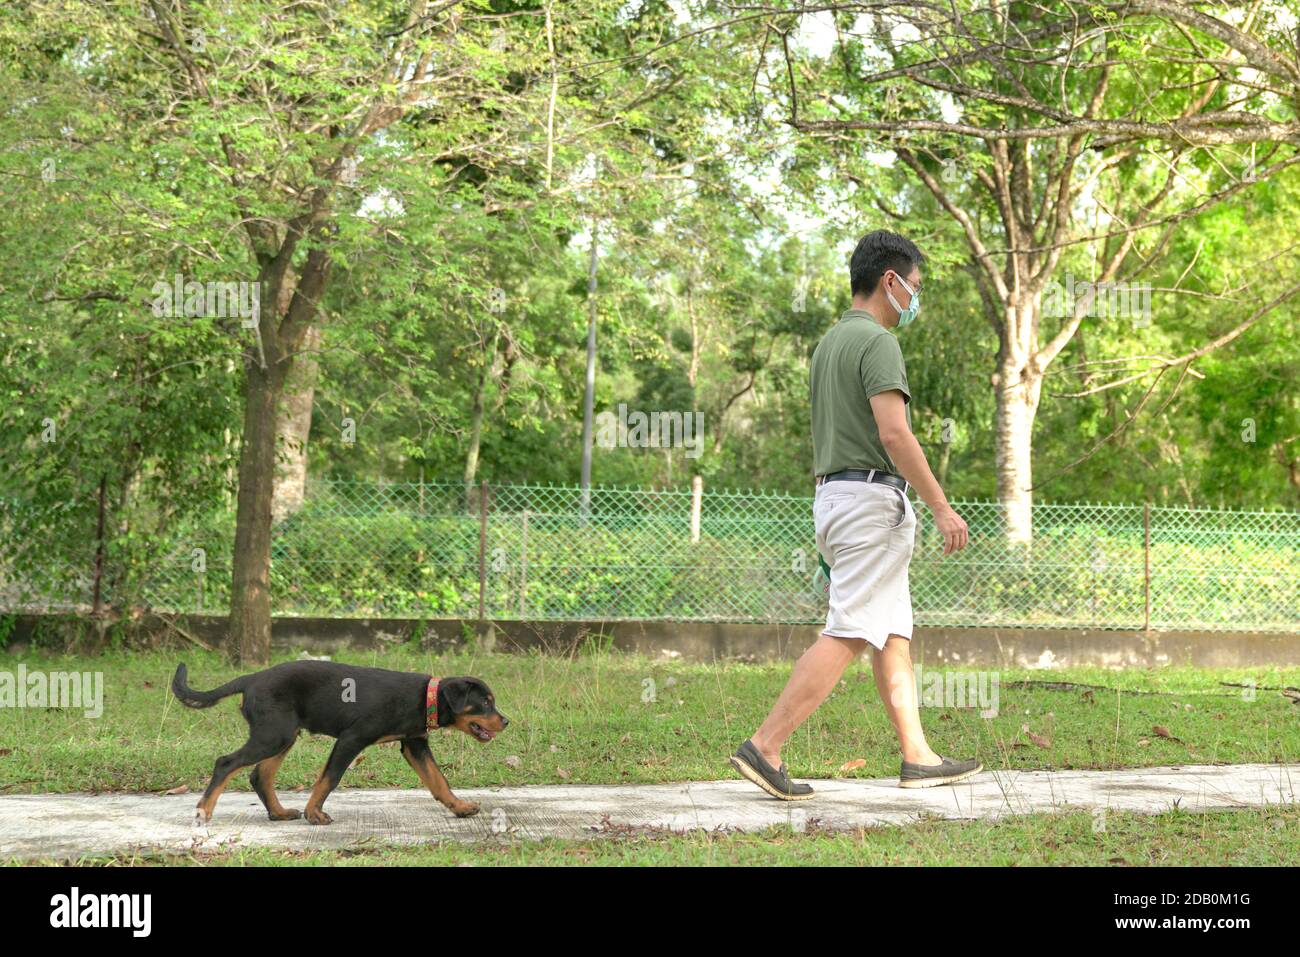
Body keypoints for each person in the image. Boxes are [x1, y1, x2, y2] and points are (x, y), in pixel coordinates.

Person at [730, 230, 982, 799]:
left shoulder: (829, 344)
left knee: (892, 631)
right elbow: (894, 432)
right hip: (871, 502)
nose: (914, 301)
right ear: (889, 281)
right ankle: (764, 746)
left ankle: (917, 754)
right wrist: (940, 506)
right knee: (850, 631)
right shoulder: (878, 343)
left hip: (836, 496)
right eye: (913, 288)